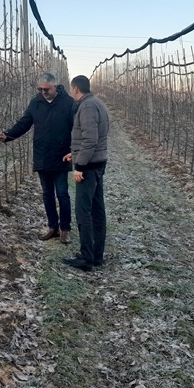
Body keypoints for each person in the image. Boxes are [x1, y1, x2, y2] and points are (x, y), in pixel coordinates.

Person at [0, 73, 74, 243]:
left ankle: (65, 229)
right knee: (47, 193)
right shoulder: (35, 102)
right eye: (40, 89)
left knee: (62, 193)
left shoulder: (68, 103)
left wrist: (75, 150)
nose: (43, 92)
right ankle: (53, 227)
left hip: (62, 155)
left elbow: (76, 127)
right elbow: (24, 123)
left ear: (55, 87)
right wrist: (8, 135)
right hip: (42, 155)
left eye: (46, 89)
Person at [62, 75, 110, 272]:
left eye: (71, 89)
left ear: (75, 89)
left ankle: (86, 257)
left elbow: (90, 139)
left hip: (89, 167)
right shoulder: (96, 103)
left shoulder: (87, 107)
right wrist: (74, 154)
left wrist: (79, 166)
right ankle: (96, 256)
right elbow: (91, 139)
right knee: (97, 211)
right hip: (97, 163)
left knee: (84, 212)